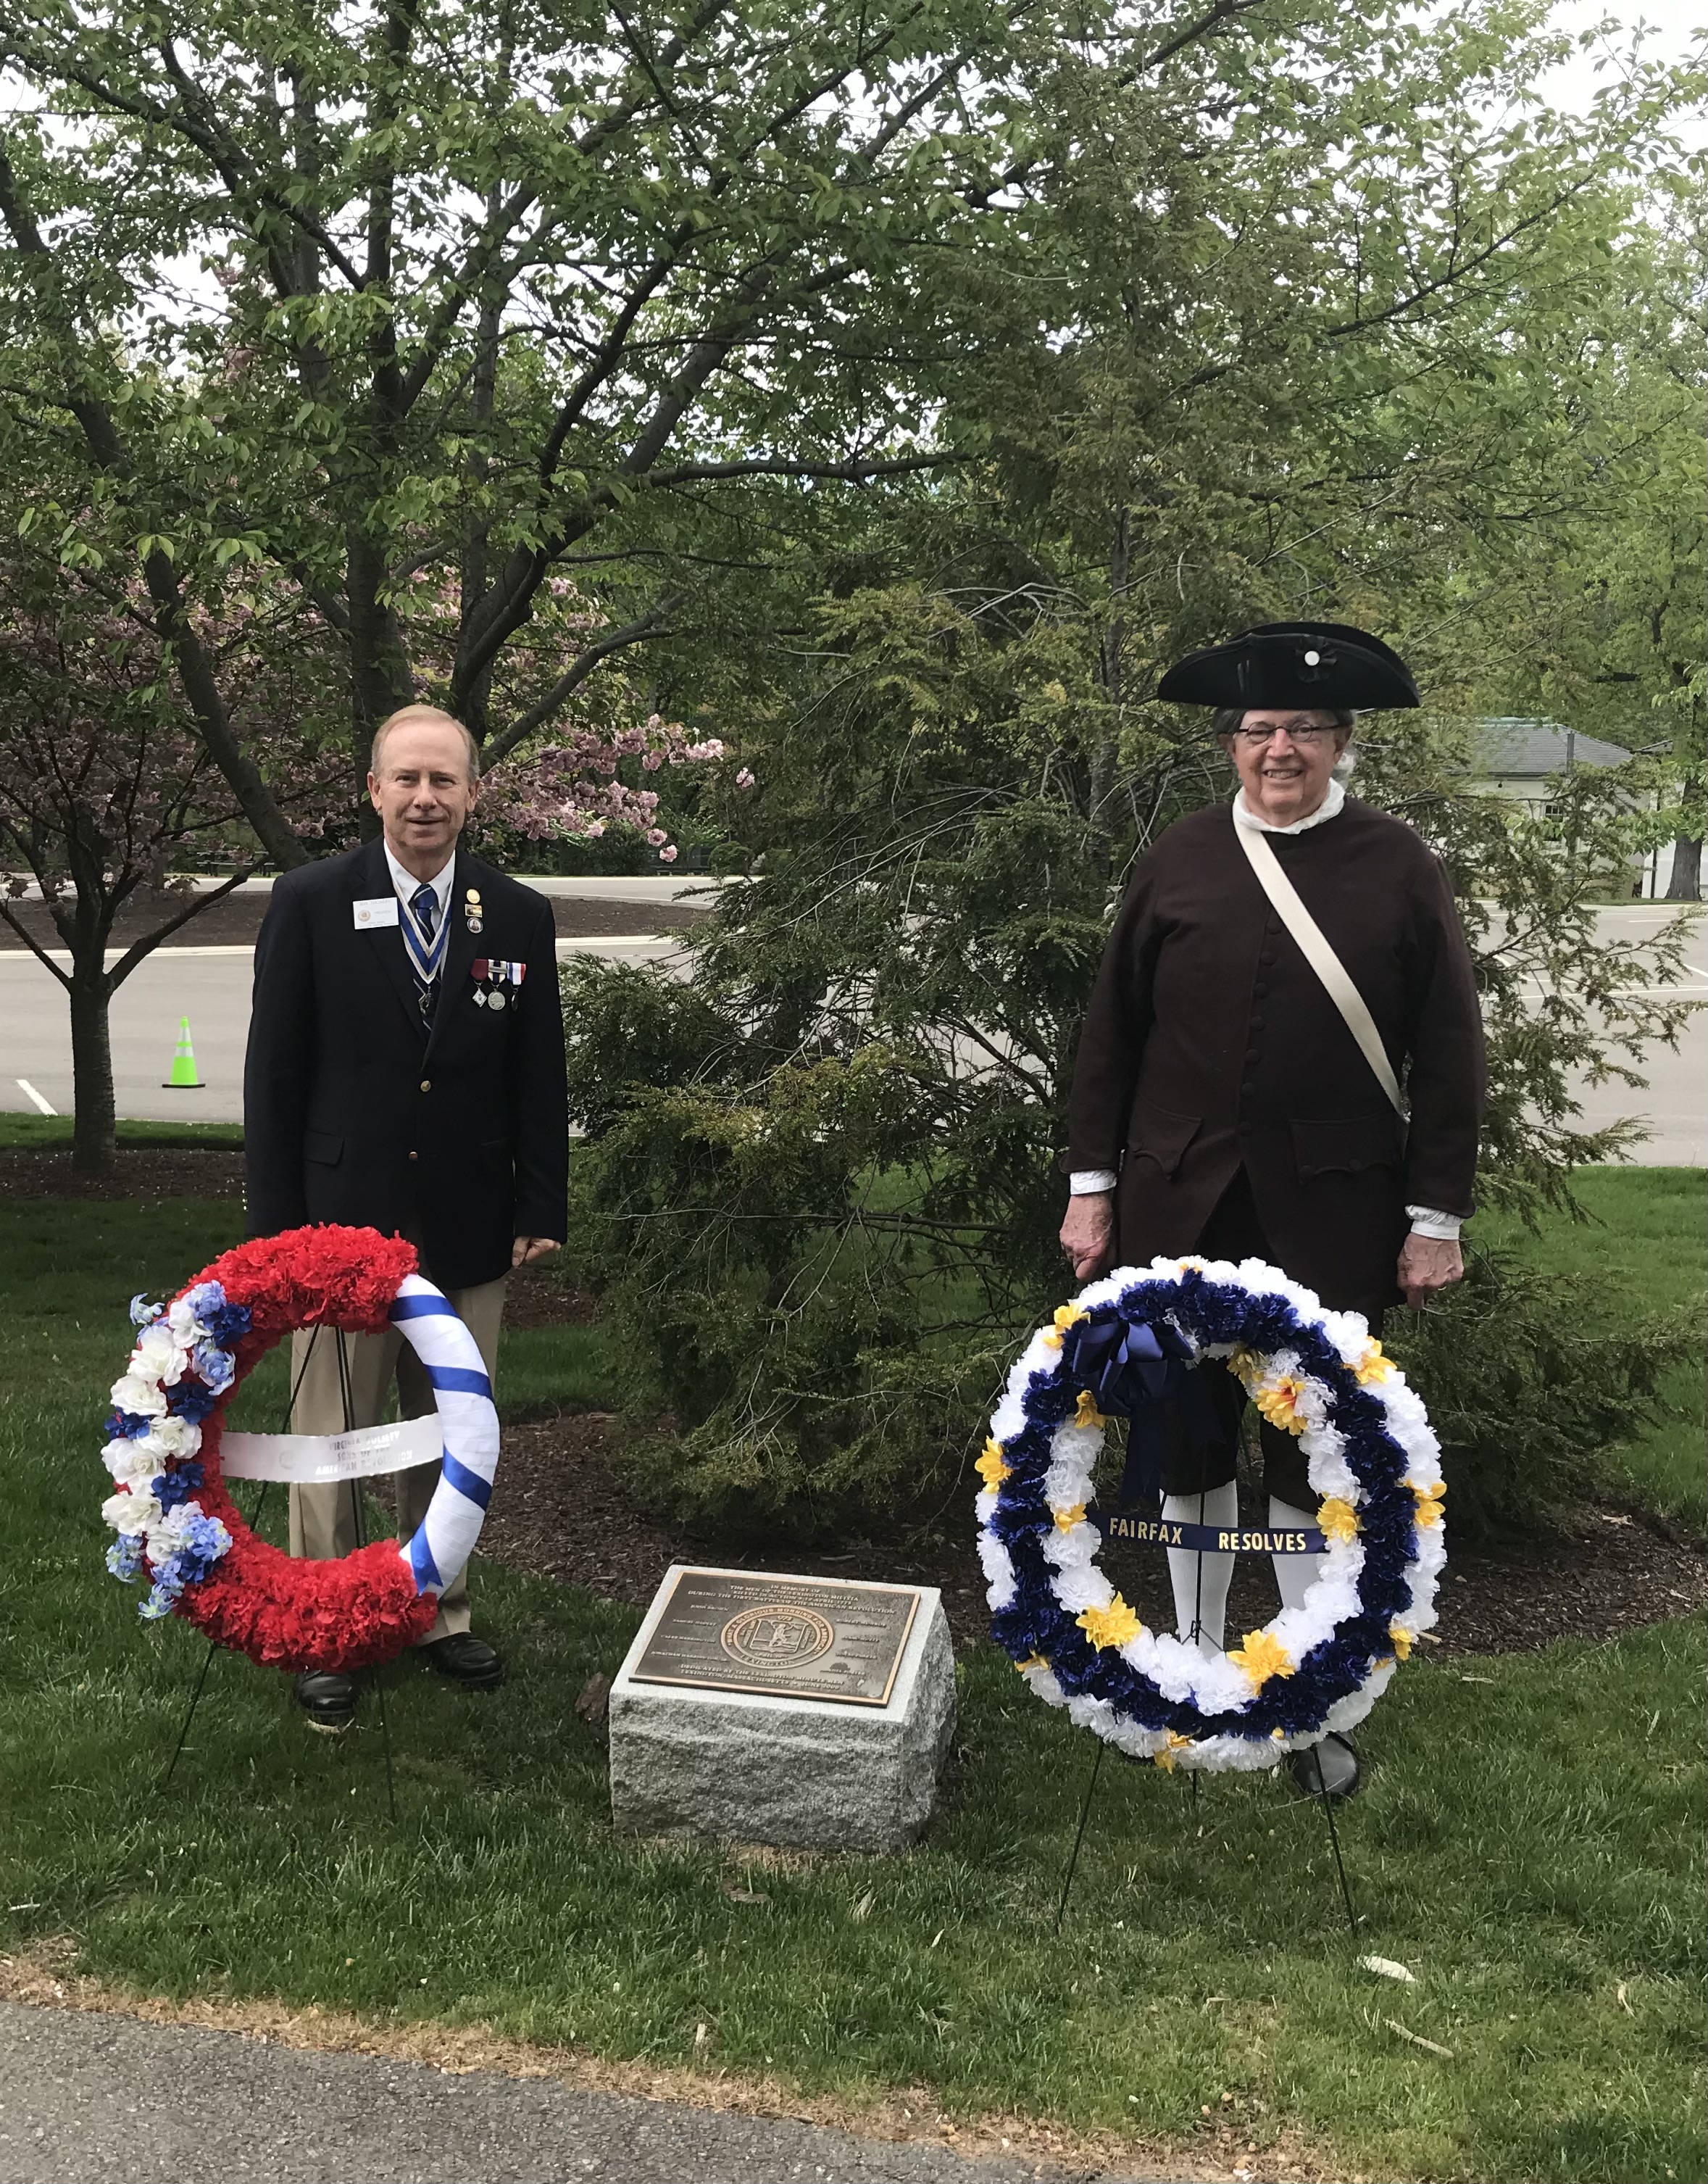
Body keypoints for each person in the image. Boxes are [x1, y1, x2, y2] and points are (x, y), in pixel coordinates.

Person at [1059, 622, 1484, 1797]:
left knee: (1319, 1453)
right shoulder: (1179, 859)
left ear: (1341, 743)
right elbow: (1112, 1032)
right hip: (1176, 1204)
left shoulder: (1397, 864)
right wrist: (1092, 1186)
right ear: (1230, 745)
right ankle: (1194, 1680)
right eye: (1257, 730)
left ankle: (1306, 1700)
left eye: (1302, 730)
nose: (1279, 749)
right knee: (1182, 1434)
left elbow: (1448, 1048)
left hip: (1336, 1215)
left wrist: (1433, 1213)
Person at [243, 704, 568, 1729]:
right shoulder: (308, 902)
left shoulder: (515, 916)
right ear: (373, 789)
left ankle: (436, 1609)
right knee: (331, 1435)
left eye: (444, 780)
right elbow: (275, 1075)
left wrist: (540, 1197)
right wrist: (278, 1228)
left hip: (469, 1224)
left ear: (475, 793)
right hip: (338, 1228)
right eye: (406, 779)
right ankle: (322, 1624)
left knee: (451, 1432)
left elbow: (537, 1072)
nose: (425, 798)